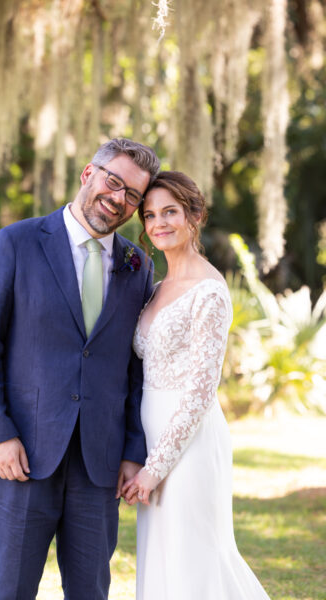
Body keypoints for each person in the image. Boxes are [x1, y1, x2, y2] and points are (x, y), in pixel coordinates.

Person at [0, 138, 160, 600]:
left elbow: (138, 370)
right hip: (24, 455)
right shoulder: (17, 242)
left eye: (133, 195)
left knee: (91, 591)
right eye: (114, 182)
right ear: (87, 175)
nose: (119, 199)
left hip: (101, 462)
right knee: (12, 589)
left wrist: (134, 450)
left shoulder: (139, 267)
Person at [122, 171, 271, 599]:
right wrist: (139, 456)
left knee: (196, 561)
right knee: (162, 559)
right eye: (149, 215)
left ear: (195, 215)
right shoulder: (153, 287)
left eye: (170, 211)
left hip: (189, 444)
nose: (159, 223)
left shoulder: (209, 291)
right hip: (150, 438)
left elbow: (201, 392)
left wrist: (154, 470)